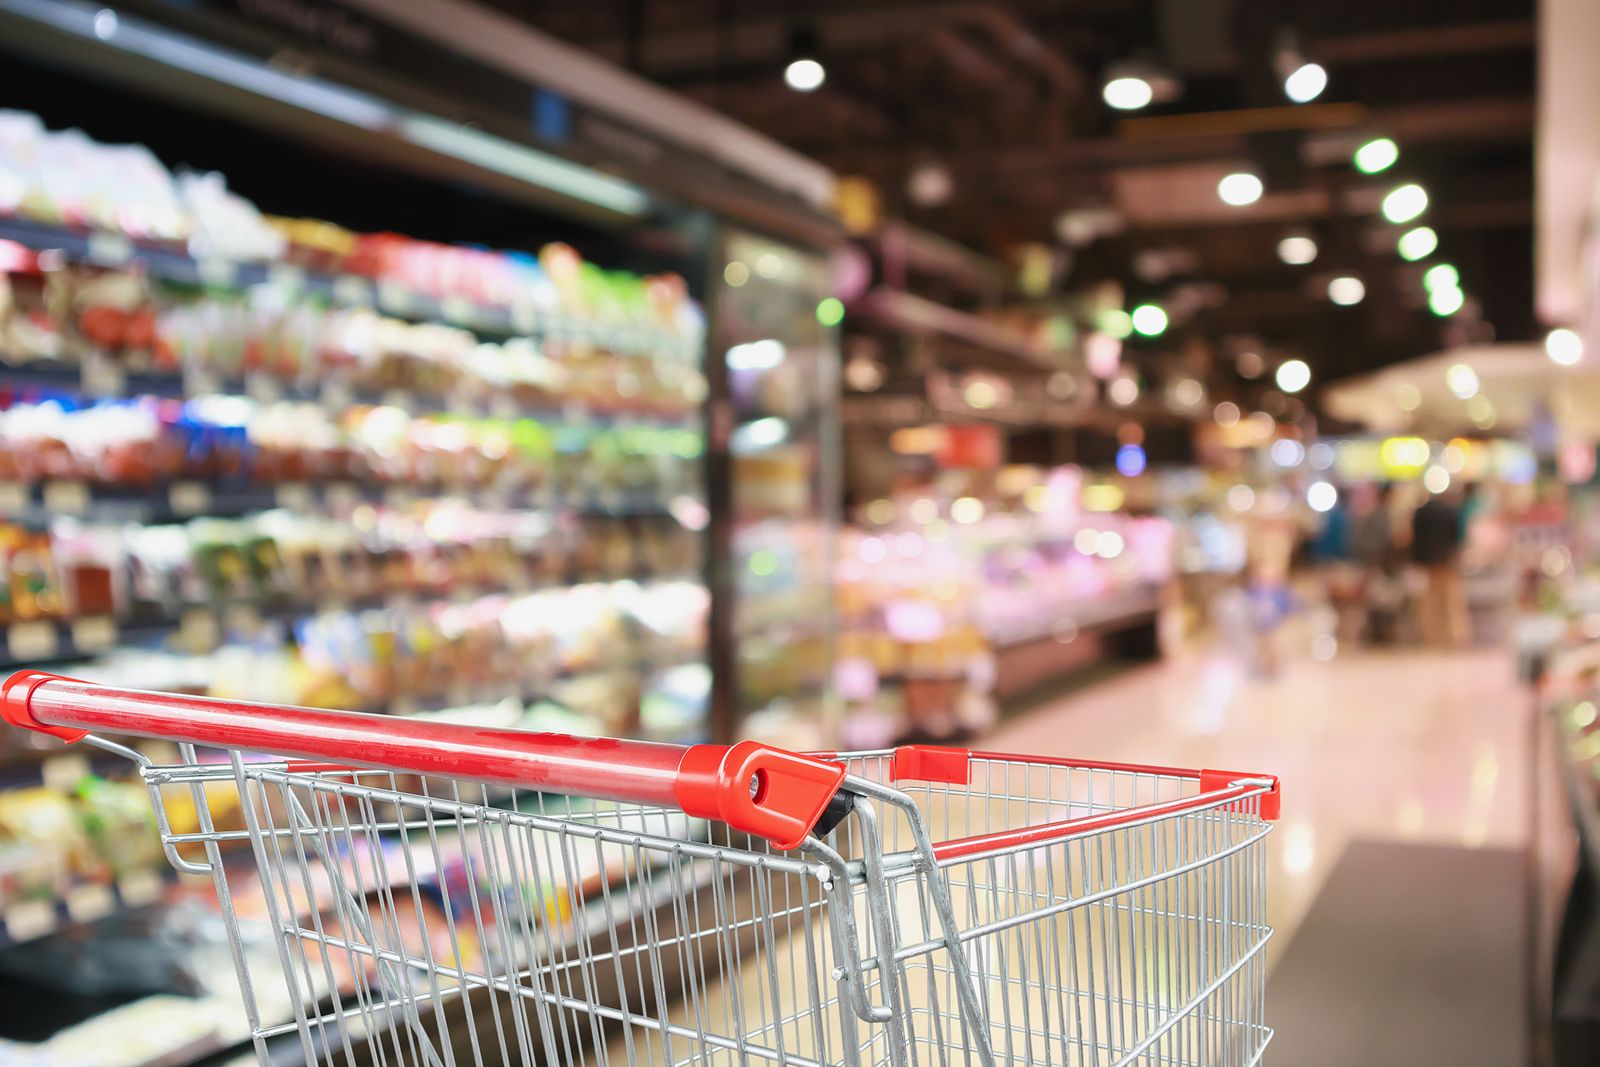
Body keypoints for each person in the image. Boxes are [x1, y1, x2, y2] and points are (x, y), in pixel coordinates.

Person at [1411, 485, 1468, 647]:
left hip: (1427, 562)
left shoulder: (1420, 512)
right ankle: (1455, 635)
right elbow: (1456, 537)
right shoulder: (1450, 511)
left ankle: (1431, 636)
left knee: (1429, 601)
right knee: (1451, 599)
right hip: (1446, 560)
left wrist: (1417, 560)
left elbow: (1417, 539)